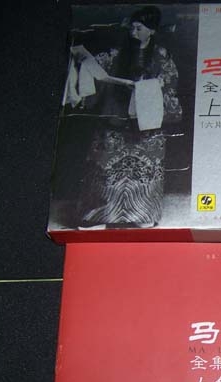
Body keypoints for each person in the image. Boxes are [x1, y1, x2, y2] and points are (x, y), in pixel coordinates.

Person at [64, 6, 182, 229]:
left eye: (139, 28)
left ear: (152, 31)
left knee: (145, 169)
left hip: (146, 118)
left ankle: (142, 215)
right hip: (115, 114)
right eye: (132, 28)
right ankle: (97, 216)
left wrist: (149, 85)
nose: (133, 32)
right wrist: (83, 61)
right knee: (104, 165)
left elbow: (170, 79)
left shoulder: (161, 55)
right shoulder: (117, 53)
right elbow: (97, 69)